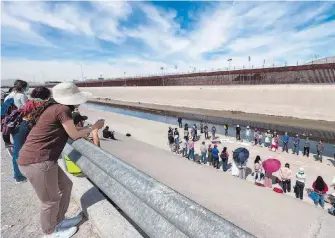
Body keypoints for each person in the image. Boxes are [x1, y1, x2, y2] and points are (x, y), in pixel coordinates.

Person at [17, 83, 105, 238]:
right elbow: (74, 135)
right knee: (50, 201)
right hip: (37, 161)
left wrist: (86, 129)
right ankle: (50, 232)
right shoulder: (63, 110)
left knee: (66, 185)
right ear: (72, 99)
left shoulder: (54, 108)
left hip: (43, 159)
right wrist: (95, 127)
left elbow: (69, 130)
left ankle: (59, 220)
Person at [12, 86, 51, 184]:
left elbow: (22, 112)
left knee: (17, 151)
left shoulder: (29, 101)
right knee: (36, 151)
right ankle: (37, 175)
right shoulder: (43, 104)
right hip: (31, 127)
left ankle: (18, 176)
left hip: (20, 126)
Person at [1, 80, 29, 147]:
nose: (27, 88)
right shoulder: (21, 95)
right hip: (14, 115)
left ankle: (8, 143)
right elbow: (25, 106)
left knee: (7, 129)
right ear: (22, 87)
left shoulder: (11, 95)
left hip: (7, 114)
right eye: (26, 87)